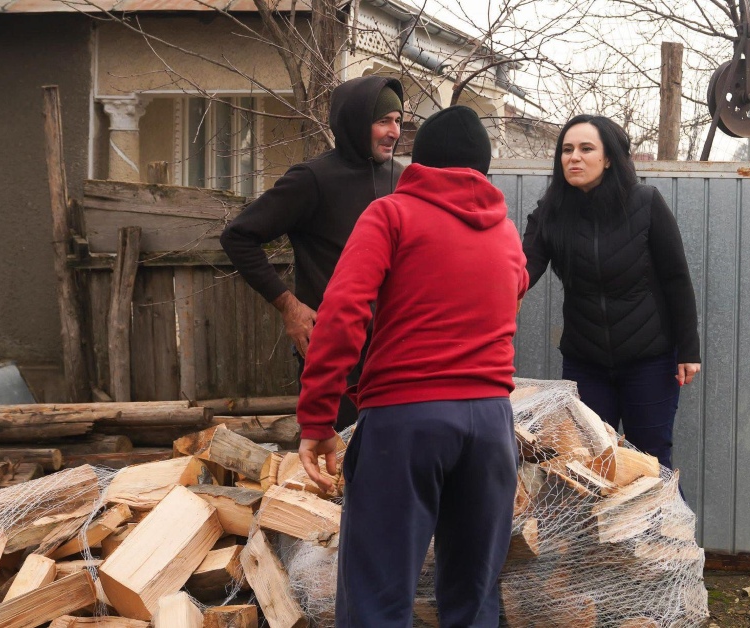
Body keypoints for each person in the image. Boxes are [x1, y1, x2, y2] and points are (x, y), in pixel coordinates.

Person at [296, 106, 528, 627]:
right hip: (491, 425)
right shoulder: (506, 233)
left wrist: (318, 418)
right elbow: (515, 293)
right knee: (474, 603)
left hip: (405, 421)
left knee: (377, 603)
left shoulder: (391, 215)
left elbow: (341, 313)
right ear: (484, 167)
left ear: (418, 161)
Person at [220, 75, 404, 431]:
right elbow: (238, 236)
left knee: (389, 454)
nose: (394, 132)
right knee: (335, 455)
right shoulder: (313, 179)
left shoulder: (399, 178)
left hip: (391, 351)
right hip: (334, 355)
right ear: (355, 122)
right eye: (383, 121)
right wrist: (289, 306)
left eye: (397, 121)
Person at [522, 114, 701, 471]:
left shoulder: (645, 203)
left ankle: (666, 513)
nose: (574, 157)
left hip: (649, 362)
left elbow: (676, 278)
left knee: (649, 463)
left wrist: (688, 349)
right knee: (589, 464)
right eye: (567, 150)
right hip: (585, 363)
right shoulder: (551, 213)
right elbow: (520, 274)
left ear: (607, 158)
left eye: (586, 149)